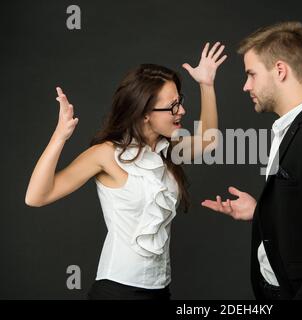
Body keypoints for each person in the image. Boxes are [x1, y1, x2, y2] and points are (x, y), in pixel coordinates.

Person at [25, 42, 227, 299]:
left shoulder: (168, 150)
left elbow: (209, 141)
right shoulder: (106, 154)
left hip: (160, 290)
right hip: (117, 291)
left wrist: (206, 84)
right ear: (144, 113)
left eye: (181, 101)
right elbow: (36, 196)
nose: (182, 111)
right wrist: (59, 137)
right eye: (173, 106)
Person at [201, 22, 302, 300]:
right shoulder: (289, 130)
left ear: (280, 70)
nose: (245, 86)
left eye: (251, 75)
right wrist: (262, 211)